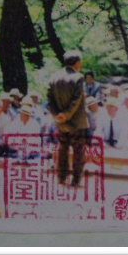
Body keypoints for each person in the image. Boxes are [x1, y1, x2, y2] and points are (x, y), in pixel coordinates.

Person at [47, 49, 88, 186]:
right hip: (76, 122)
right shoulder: (78, 77)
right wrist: (66, 114)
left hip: (60, 122)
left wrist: (56, 114)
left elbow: (49, 99)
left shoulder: (54, 77)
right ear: (77, 63)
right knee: (78, 151)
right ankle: (76, 180)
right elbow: (76, 100)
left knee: (62, 149)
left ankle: (61, 177)